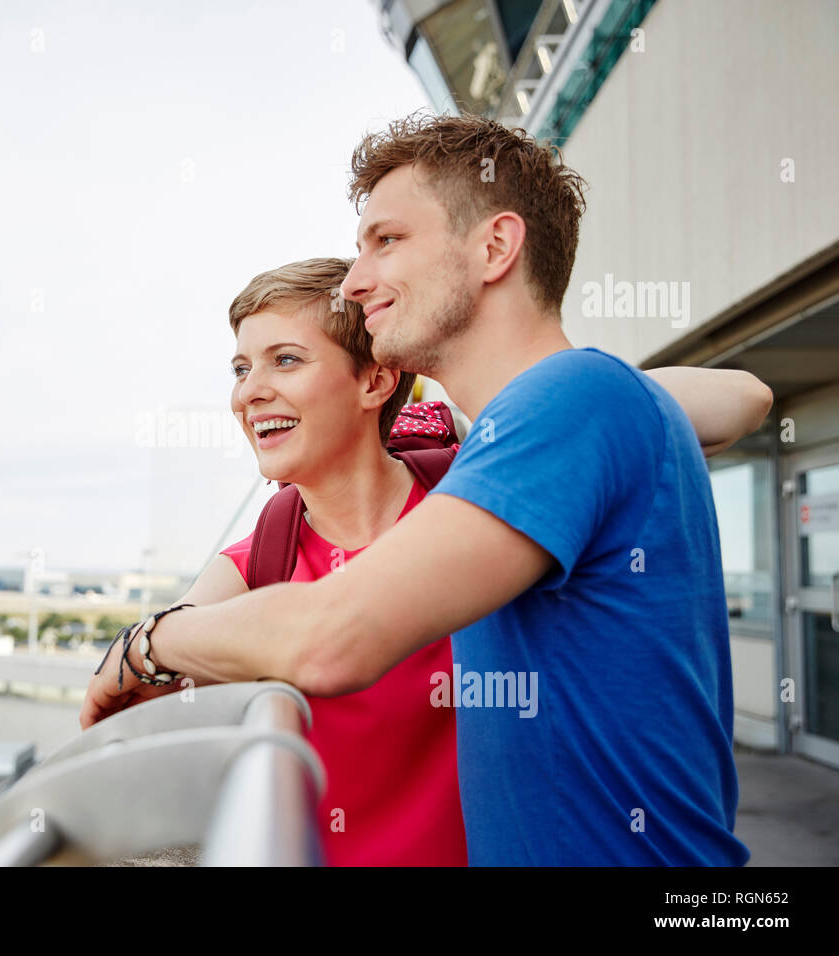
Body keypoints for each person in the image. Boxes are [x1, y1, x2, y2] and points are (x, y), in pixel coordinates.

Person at [86, 225, 772, 863]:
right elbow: (160, 665)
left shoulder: (475, 497)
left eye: (285, 361)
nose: (249, 394)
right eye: (241, 369)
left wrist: (529, 419)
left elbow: (742, 398)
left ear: (376, 381)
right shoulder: (261, 559)